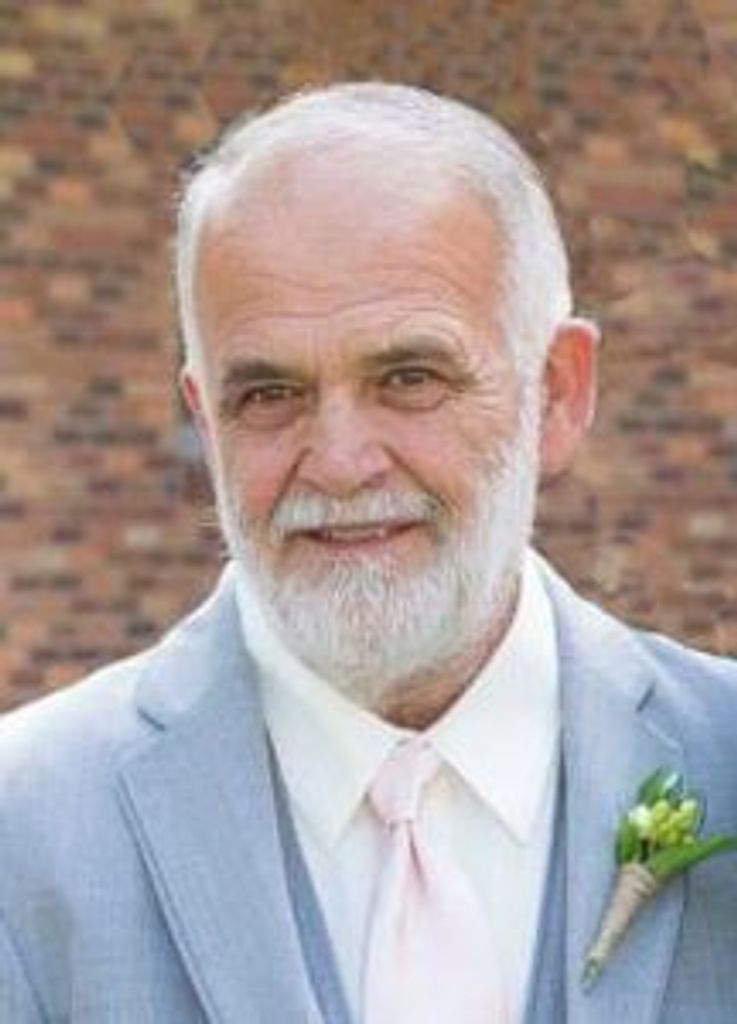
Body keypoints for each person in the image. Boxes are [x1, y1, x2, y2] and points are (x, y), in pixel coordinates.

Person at [1, 83, 735, 1024]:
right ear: (205, 418)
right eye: (269, 395)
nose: (340, 464)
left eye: (409, 378)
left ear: (555, 392)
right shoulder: (25, 826)